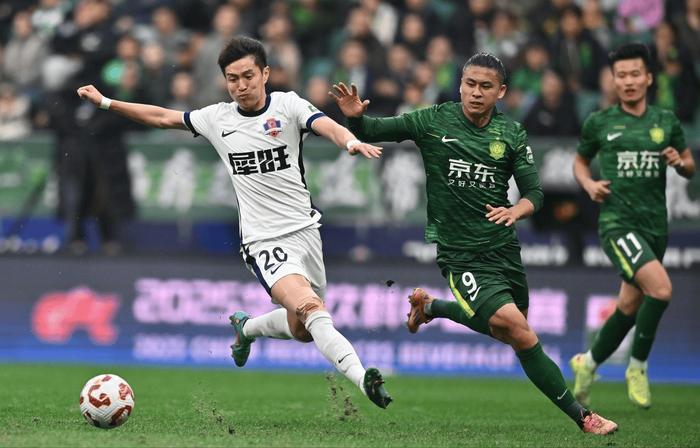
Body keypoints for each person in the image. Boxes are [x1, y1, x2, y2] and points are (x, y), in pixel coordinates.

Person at [77, 36, 393, 409]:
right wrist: (107, 102)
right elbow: (163, 117)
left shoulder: (288, 105)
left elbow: (327, 126)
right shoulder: (218, 118)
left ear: (265, 74)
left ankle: (248, 328)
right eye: (232, 79)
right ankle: (363, 379)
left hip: (306, 233)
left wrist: (350, 141)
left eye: (247, 76)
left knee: (304, 330)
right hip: (263, 241)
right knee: (311, 309)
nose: (241, 86)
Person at [330, 52, 617, 434]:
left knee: (508, 331)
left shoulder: (511, 133)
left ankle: (430, 307)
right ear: (461, 85)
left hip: (503, 250)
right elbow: (371, 129)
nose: (476, 92)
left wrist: (516, 211)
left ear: (501, 91)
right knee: (520, 332)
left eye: (485, 86)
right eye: (470, 84)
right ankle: (584, 417)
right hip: (460, 253)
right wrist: (355, 118)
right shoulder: (434, 120)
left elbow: (535, 193)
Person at [570, 42, 696, 410]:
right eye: (621, 75)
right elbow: (579, 162)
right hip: (617, 223)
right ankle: (637, 366)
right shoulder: (600, 122)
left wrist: (678, 163)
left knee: (629, 304)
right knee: (661, 289)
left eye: (634, 74)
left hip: (655, 226)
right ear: (613, 80)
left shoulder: (666, 122)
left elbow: (690, 166)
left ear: (648, 78)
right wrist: (589, 184)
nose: (628, 81)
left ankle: (587, 363)